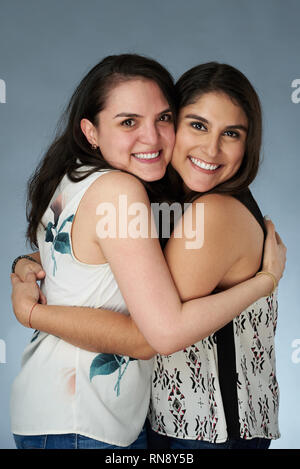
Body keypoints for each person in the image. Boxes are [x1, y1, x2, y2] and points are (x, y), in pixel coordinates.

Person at [10, 55, 286, 450]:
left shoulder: (207, 210)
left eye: (232, 133)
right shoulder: (130, 192)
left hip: (202, 430)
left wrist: (32, 303)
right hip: (97, 419)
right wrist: (264, 282)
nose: (152, 137)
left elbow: (152, 333)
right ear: (90, 131)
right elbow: (148, 320)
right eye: (196, 124)